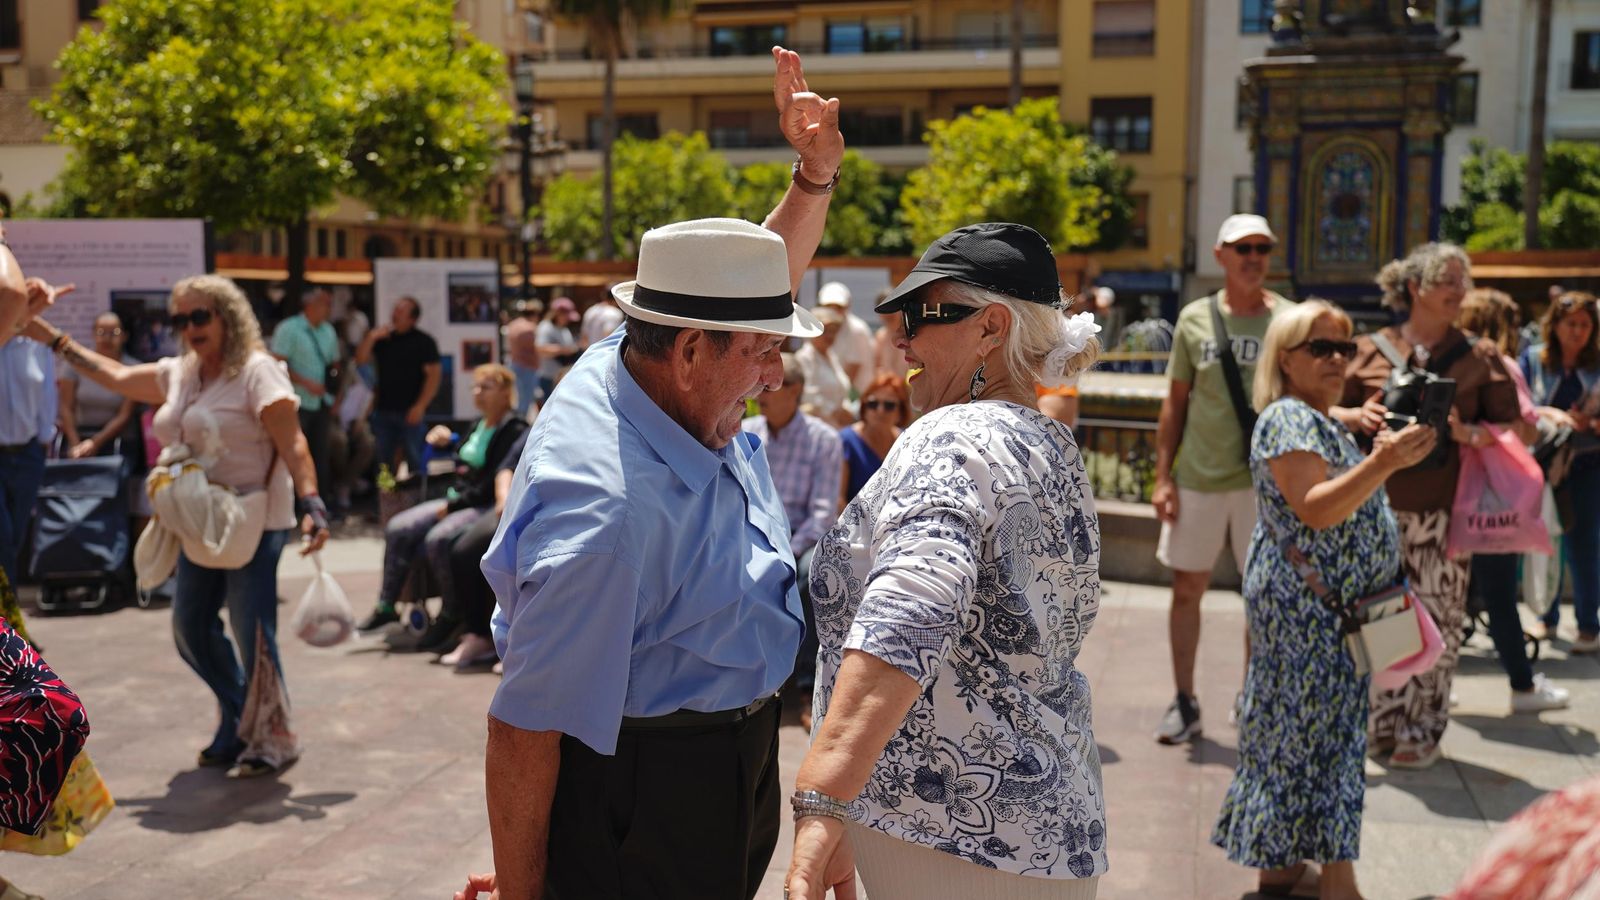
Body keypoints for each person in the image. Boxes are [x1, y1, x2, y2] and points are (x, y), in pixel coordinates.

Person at [467, 45, 841, 900]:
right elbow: (524, 730)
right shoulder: (605, 522)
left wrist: (812, 179)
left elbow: (755, 288)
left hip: (730, 757)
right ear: (690, 351)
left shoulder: (639, 356)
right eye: (762, 355)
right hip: (658, 787)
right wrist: (530, 886)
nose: (776, 377)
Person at [786, 222, 1104, 900]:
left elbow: (914, 607)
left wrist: (824, 791)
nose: (901, 338)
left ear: (991, 327)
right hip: (1051, 823)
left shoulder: (949, 436)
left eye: (921, 316)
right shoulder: (1054, 446)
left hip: (950, 829)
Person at [24, 274, 330, 777]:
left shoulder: (258, 372)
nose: (189, 327)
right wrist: (50, 336)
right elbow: (116, 376)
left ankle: (272, 736)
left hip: (253, 521)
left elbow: (293, 442)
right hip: (197, 520)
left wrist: (312, 501)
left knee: (252, 632)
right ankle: (241, 715)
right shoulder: (182, 372)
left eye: (199, 316)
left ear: (227, 317)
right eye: (180, 319)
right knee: (189, 628)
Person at [1212, 300, 1435, 900]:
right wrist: (1385, 462)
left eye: (1345, 347)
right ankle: (1339, 884)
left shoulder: (1313, 417)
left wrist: (1371, 441)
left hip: (1329, 609)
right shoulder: (1289, 417)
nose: (1338, 359)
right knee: (1325, 740)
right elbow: (1315, 509)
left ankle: (1281, 870)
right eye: (1321, 348)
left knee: (1297, 734)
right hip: (1311, 612)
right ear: (1286, 359)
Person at [1335, 242, 1522, 770]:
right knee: (1382, 617)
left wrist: (1469, 433)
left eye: (1464, 281)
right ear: (1416, 287)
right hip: (1377, 510)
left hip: (1445, 513)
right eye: (1449, 281)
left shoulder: (1479, 355)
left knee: (1439, 620)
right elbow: (1325, 410)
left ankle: (1423, 728)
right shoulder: (1370, 349)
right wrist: (1359, 416)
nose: (1461, 291)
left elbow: (1519, 428)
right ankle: (1382, 724)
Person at [1152, 213, 1293, 745]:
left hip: (1267, 482)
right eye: (1243, 248)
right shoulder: (1194, 319)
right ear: (1220, 255)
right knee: (1187, 589)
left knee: (1262, 595)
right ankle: (1185, 700)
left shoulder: (1290, 320)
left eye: (1262, 247)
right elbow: (1175, 404)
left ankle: (1253, 698)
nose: (1253, 257)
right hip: (1199, 478)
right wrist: (1162, 477)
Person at [1456, 289, 1571, 710]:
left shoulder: (1450, 363)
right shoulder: (1501, 365)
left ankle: (1434, 683)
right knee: (1500, 593)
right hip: (1494, 497)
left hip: (1450, 491)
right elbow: (1525, 427)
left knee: (1446, 594)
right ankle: (1522, 685)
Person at [358, 364, 528, 634]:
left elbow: (490, 482)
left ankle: (451, 613)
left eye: (486, 387)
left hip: (477, 505)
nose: (478, 392)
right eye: (475, 386)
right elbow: (462, 461)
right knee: (398, 527)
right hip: (456, 497)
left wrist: (451, 507)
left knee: (437, 540)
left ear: (505, 392)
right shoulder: (478, 424)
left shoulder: (514, 429)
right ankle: (387, 605)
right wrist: (446, 443)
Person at [744, 352, 843, 729]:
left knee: (808, 575)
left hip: (800, 540)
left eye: (773, 382)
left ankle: (805, 685)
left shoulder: (823, 439)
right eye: (759, 379)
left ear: (796, 389)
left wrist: (785, 549)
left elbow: (822, 514)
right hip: (751, 534)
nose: (762, 389)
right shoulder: (745, 431)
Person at [1519, 290, 1600, 654]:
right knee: (1543, 540)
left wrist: (1591, 424)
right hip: (1542, 465)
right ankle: (1545, 616)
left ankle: (1588, 625)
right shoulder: (1534, 360)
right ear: (1555, 325)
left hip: (1586, 465)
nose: (1577, 331)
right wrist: (1551, 416)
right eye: (1571, 324)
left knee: (1584, 545)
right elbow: (1518, 405)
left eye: (1585, 324)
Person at [435, 427, 531, 671]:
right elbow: (506, 466)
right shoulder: (541, 423)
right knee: (465, 550)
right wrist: (504, 499)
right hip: (515, 506)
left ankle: (520, 646)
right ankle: (480, 635)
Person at [0, 299, 57, 588]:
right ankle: (8, 611)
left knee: (15, 539)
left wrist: (44, 439)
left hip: (28, 455)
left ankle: (6, 607)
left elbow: (47, 395)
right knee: (2, 539)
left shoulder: (36, 346)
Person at [356, 296, 441, 476]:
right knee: (384, 465)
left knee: (415, 462)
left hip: (411, 412)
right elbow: (361, 361)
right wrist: (371, 337)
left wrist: (420, 406)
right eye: (395, 309)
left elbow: (434, 377)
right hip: (383, 411)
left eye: (401, 311)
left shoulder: (424, 342)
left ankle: (417, 494)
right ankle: (386, 494)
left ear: (412, 319)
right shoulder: (383, 340)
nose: (395, 314)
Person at [271, 287, 341, 511]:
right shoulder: (289, 329)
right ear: (310, 305)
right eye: (325, 303)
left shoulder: (328, 331)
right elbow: (277, 363)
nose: (329, 308)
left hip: (322, 403)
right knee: (293, 454)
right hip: (295, 403)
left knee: (321, 456)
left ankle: (318, 507)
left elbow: (334, 363)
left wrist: (334, 391)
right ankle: (291, 507)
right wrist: (305, 382)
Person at [58, 311, 140, 460]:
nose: (107, 338)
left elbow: (125, 415)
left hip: (118, 443)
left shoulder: (133, 368)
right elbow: (66, 407)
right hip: (78, 438)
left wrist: (95, 443)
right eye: (101, 332)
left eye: (114, 333)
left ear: (124, 336)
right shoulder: (74, 364)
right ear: (93, 334)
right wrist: (75, 444)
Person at [839, 371, 907, 506]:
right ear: (864, 408)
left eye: (889, 405)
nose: (880, 410)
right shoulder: (846, 441)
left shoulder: (907, 442)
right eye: (873, 404)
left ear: (901, 412)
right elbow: (838, 500)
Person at [796, 305, 855, 426]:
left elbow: (842, 390)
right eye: (826, 331)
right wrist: (832, 411)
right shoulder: (805, 357)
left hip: (838, 426)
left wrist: (846, 410)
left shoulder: (832, 356)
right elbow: (807, 395)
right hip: (816, 426)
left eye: (833, 331)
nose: (830, 336)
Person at [817, 281, 875, 393]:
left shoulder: (857, 330)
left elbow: (851, 374)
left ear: (848, 306)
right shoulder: (820, 328)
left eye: (838, 307)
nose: (833, 311)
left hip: (857, 395)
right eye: (828, 306)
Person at [534, 297, 580, 399]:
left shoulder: (564, 329)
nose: (568, 319)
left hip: (563, 377)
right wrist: (563, 350)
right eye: (566, 315)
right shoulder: (546, 327)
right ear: (558, 313)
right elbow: (540, 349)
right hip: (548, 378)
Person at [504, 299, 543, 417]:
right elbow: (537, 348)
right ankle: (520, 423)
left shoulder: (513, 325)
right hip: (527, 367)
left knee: (519, 398)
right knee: (525, 401)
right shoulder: (530, 328)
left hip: (514, 364)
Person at [872, 287, 910, 383]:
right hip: (889, 387)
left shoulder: (911, 333)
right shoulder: (880, 336)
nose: (888, 314)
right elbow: (877, 366)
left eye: (891, 309)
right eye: (883, 310)